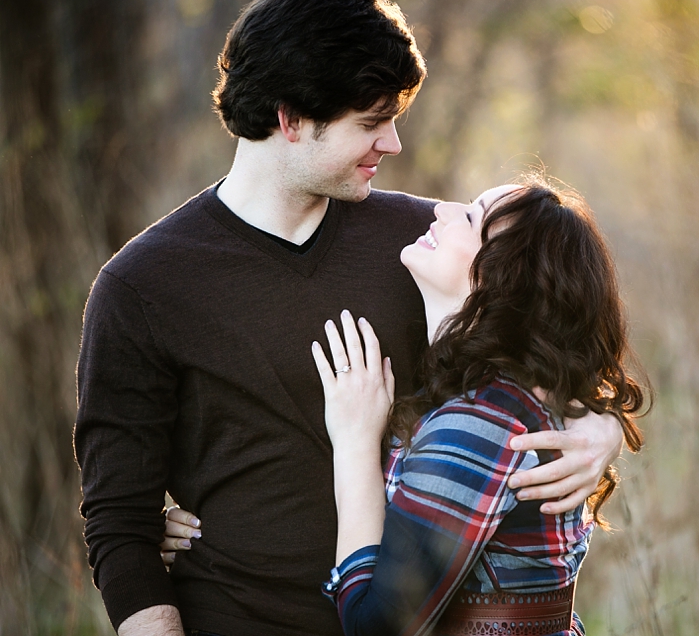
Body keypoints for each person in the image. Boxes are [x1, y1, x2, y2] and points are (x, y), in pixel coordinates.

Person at [73, 0, 626, 635]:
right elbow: (121, 527)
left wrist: (597, 427)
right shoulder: (143, 286)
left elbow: (555, 337)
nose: (392, 143)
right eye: (370, 122)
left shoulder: (426, 245)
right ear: (291, 120)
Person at [167, 182, 648, 636]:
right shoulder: (489, 401)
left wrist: (355, 443)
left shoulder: (482, 423)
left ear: (503, 279)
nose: (441, 209)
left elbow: (375, 626)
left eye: (471, 218)